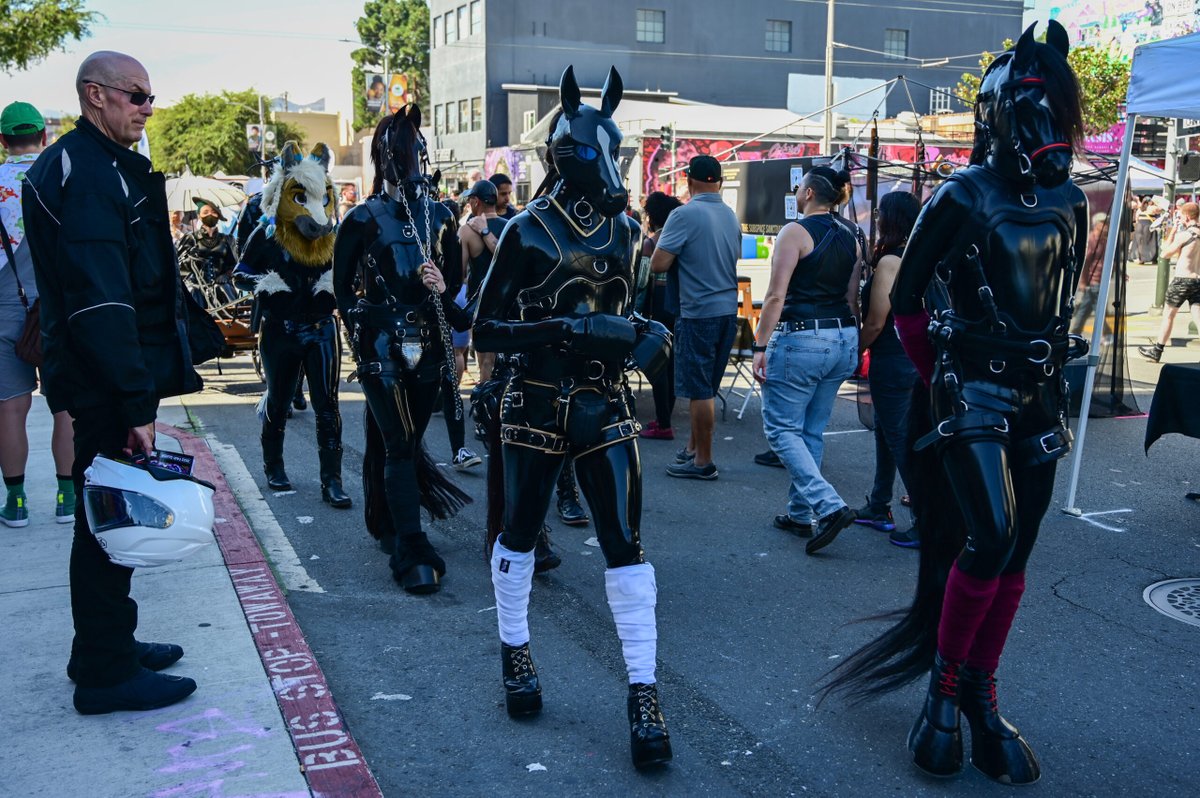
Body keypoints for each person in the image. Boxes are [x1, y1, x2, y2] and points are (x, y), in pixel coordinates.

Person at [824, 23, 1088, 786]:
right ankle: (944, 690)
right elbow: (907, 301)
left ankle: (979, 691)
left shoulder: (1070, 199)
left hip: (1039, 395)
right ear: (1003, 115)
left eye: (1056, 113)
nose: (1050, 134)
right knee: (990, 536)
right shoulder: (960, 195)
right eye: (1034, 113)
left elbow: (1060, 302)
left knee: (1017, 554)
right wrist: (942, 380)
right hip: (969, 392)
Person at [474, 66, 672, 770]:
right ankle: (515, 650)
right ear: (565, 152)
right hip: (534, 404)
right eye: (596, 155)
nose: (609, 170)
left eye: (611, 156)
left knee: (626, 546)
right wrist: (563, 331)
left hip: (607, 404)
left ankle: (643, 692)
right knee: (521, 533)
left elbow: (622, 310)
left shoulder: (621, 231)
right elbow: (486, 328)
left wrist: (646, 333)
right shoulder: (526, 232)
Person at [23, 50, 223, 714]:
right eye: (136, 95)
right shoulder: (84, 173)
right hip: (101, 380)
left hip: (102, 374)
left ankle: (108, 646)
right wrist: (136, 402)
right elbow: (101, 301)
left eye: (149, 96)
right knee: (103, 520)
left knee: (106, 516)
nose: (148, 107)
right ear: (95, 95)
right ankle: (105, 674)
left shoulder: (94, 165)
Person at [334, 106, 473, 594]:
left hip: (430, 344)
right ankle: (411, 545)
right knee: (397, 442)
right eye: (400, 154)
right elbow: (343, 291)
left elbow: (455, 290)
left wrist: (442, 285)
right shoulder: (360, 218)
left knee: (410, 442)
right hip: (381, 345)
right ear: (384, 158)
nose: (410, 163)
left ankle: (391, 520)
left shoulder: (440, 216)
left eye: (415, 152)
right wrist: (361, 331)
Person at [750, 166, 862, 553]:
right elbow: (852, 297)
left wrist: (760, 345)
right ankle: (801, 513)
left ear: (810, 192)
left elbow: (776, 296)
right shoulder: (853, 234)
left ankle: (828, 506)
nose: (797, 192)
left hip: (802, 337)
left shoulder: (795, 231)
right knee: (811, 430)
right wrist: (855, 339)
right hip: (843, 335)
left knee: (782, 430)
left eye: (799, 187)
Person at [234, 141, 351, 509]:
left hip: (321, 329)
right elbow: (240, 275)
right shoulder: (267, 235)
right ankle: (274, 466)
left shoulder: (334, 238)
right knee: (280, 400)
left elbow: (349, 278)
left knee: (328, 406)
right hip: (280, 330)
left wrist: (336, 290)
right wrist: (269, 287)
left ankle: (332, 480)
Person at [0, 101, 76, 528]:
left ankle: (17, 502)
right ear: (42, 137)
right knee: (65, 405)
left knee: (10, 407)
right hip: (58, 304)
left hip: (6, 303)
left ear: (2, 140)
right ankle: (67, 496)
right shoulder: (61, 176)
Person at [651, 155, 741, 480]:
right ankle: (693, 448)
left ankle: (703, 461)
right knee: (706, 388)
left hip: (697, 313)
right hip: (727, 313)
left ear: (689, 180)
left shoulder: (683, 214)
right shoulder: (730, 215)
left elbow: (658, 264)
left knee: (699, 391)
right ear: (719, 181)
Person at [854, 191, 921, 548]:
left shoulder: (890, 262)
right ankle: (879, 504)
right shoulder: (922, 253)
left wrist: (857, 350)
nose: (876, 219)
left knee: (898, 437)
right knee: (887, 431)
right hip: (914, 356)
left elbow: (878, 320)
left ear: (890, 220)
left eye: (880, 214)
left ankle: (926, 519)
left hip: (893, 358)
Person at [638, 191, 683, 441]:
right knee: (674, 363)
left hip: (659, 306)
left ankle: (663, 422)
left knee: (658, 365)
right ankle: (666, 416)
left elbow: (643, 281)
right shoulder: (681, 236)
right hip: (680, 304)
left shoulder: (652, 243)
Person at [1139, 201, 1200, 362]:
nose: (1179, 218)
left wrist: (1173, 230)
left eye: (1180, 216)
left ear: (1187, 216)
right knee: (1198, 316)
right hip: (1197, 281)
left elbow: (1165, 254)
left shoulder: (1185, 235)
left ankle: (1157, 350)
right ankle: (1156, 350)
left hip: (1182, 280)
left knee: (1168, 316)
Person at [1070, 212, 1109, 337]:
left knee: (1085, 309)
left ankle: (1075, 332)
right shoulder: (1092, 240)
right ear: (1096, 225)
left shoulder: (1104, 239)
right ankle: (1106, 334)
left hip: (1101, 279)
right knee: (1099, 308)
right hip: (1094, 280)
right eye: (1104, 222)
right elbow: (1085, 263)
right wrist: (1082, 282)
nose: (1106, 225)